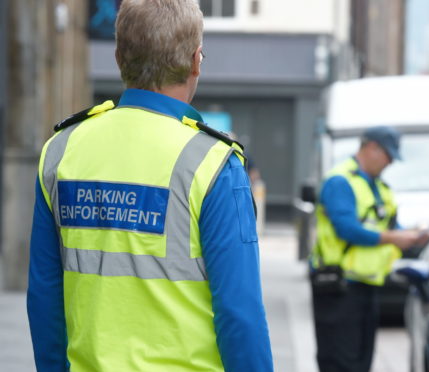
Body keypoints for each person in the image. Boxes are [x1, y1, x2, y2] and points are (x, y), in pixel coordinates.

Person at [27, 1, 273, 371]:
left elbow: (45, 297)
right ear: (196, 61)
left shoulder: (61, 151)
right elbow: (239, 314)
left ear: (118, 56)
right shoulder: (214, 164)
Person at [310, 126, 429, 372]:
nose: (389, 163)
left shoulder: (379, 187)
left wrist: (412, 235)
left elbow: (389, 225)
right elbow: (348, 230)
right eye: (388, 156)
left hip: (368, 285)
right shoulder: (340, 181)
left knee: (360, 362)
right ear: (372, 148)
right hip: (338, 286)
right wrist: (395, 238)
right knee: (339, 361)